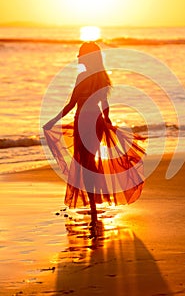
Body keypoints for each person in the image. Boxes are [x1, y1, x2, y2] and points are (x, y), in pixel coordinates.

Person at [43, 42, 145, 237]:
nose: (78, 57)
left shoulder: (82, 76)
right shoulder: (102, 77)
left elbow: (71, 104)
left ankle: (94, 212)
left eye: (81, 54)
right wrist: (107, 121)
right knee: (91, 164)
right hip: (96, 122)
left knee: (85, 165)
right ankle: (94, 209)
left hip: (83, 122)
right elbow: (104, 104)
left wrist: (53, 120)